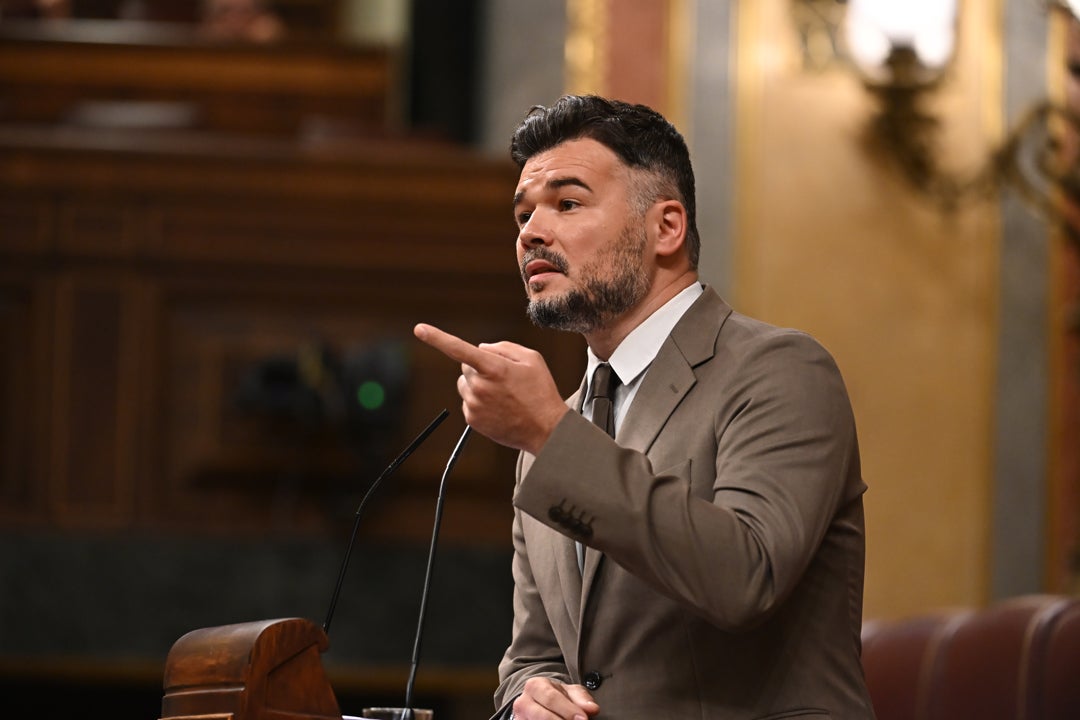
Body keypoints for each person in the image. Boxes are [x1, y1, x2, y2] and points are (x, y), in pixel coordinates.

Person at [414, 94, 874, 720]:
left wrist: (550, 437)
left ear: (666, 228)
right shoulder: (558, 425)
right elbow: (535, 656)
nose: (531, 232)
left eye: (567, 203)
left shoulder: (780, 370)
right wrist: (527, 697)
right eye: (522, 214)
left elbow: (747, 575)